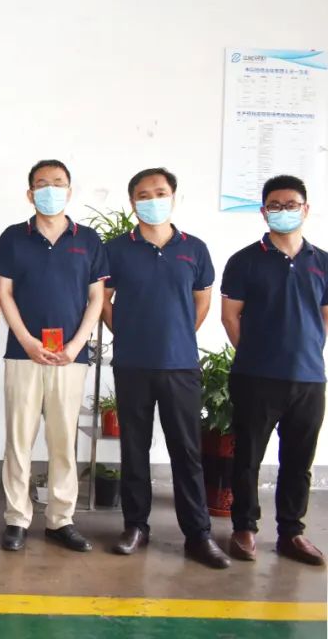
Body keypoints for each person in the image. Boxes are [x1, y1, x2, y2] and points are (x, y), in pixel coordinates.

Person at [102, 167, 230, 568]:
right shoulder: (116, 250)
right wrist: (125, 331)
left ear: (174, 197)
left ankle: (198, 534)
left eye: (160, 192)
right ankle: (135, 527)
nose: (152, 200)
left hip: (180, 366)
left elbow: (202, 300)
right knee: (134, 448)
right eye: (143, 195)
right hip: (132, 364)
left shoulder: (195, 249)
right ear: (132, 203)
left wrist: (179, 334)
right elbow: (102, 298)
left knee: (187, 451)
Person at [0, 159, 106, 553]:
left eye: (58, 183)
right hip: (23, 354)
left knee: (63, 440)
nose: (50, 190)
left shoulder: (88, 240)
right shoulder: (13, 237)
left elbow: (96, 298)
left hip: (69, 357)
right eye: (42, 184)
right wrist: (25, 339)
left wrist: (76, 346)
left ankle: (61, 519)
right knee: (19, 440)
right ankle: (17, 518)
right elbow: (4, 293)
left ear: (69, 191)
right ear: (30, 193)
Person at [221, 174, 327, 566]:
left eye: (291, 204)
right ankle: (244, 528)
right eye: (275, 206)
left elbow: (324, 317)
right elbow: (230, 317)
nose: (284, 211)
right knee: (248, 456)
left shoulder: (322, 262)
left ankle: (291, 532)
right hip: (256, 377)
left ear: (306, 209)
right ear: (264, 212)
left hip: (309, 379)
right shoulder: (244, 261)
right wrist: (256, 353)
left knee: (299, 461)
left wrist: (305, 352)